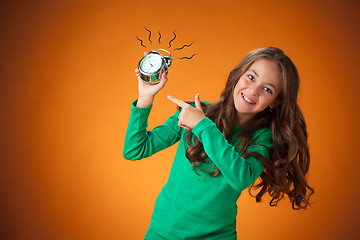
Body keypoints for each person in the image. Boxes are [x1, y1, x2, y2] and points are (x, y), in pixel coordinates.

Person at [123, 47, 314, 240]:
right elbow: (135, 149)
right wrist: (146, 96)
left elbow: (240, 178)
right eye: (251, 77)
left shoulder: (263, 137)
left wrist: (203, 126)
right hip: (162, 233)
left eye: (267, 89)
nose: (253, 90)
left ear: (275, 102)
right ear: (238, 76)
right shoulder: (196, 113)